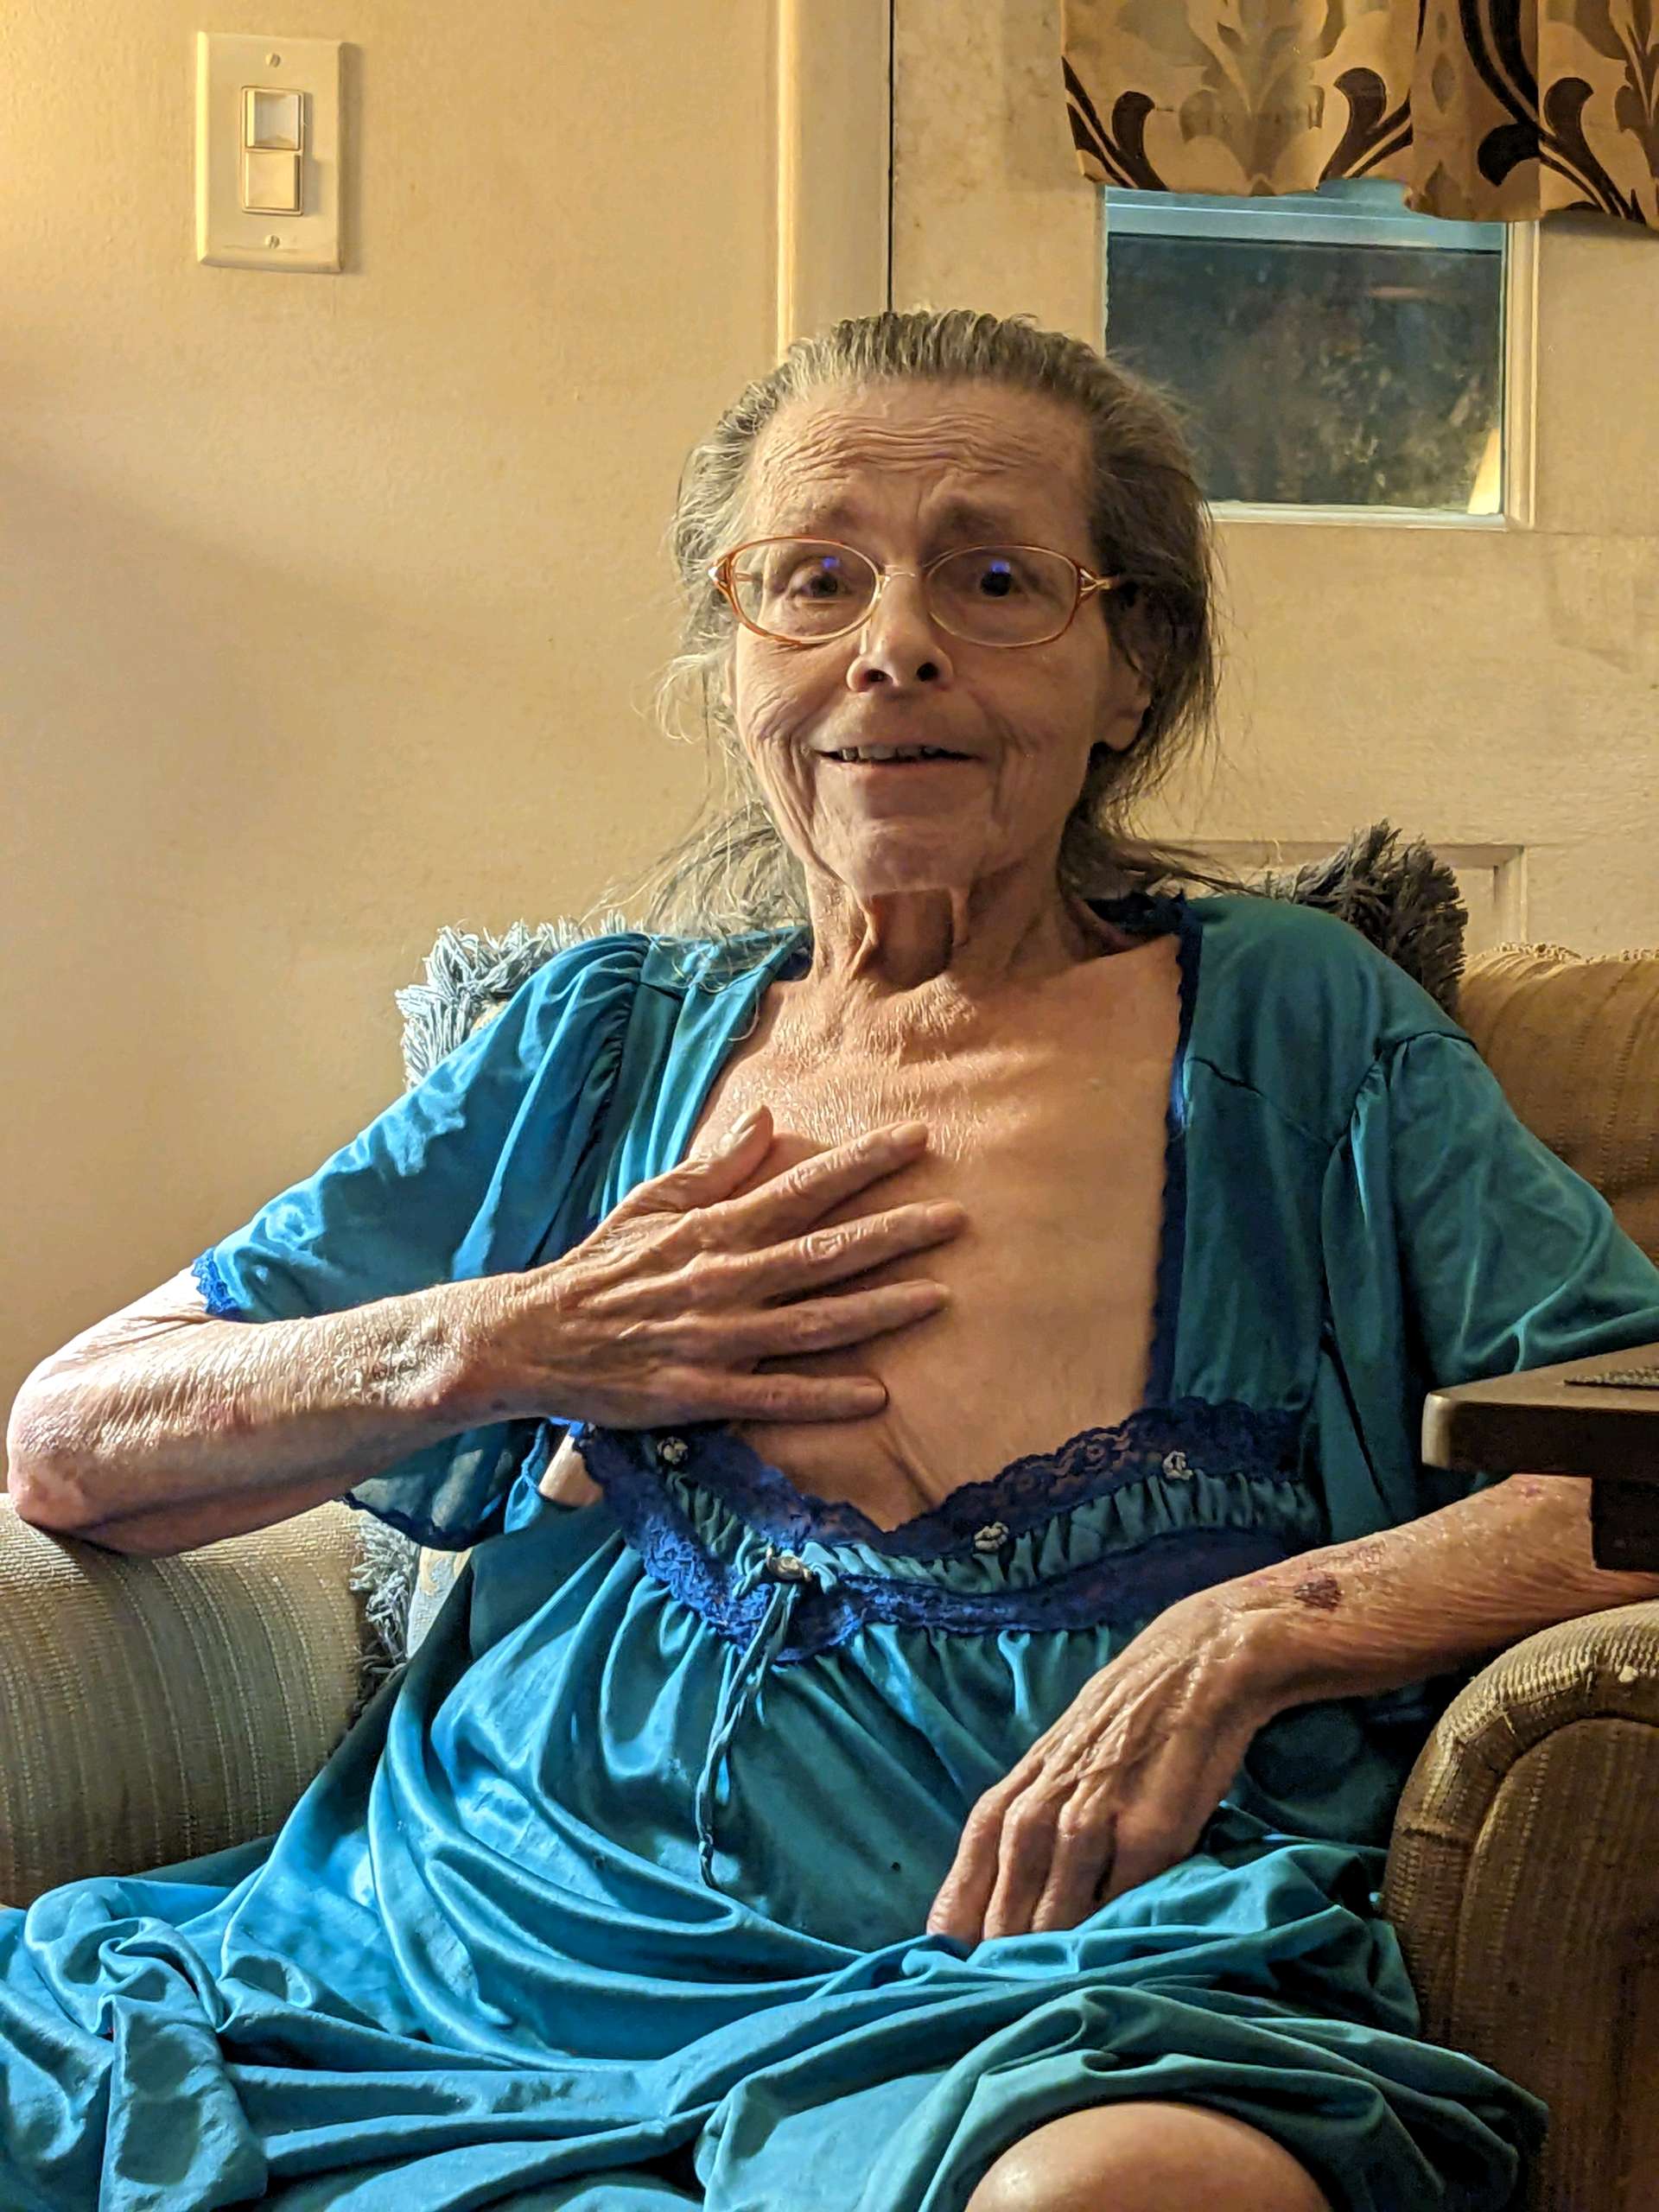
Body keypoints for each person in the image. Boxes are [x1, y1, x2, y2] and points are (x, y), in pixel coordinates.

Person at [6, 307, 1659, 2212]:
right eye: (814, 579)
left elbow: (1627, 1463)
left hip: (1038, 1989)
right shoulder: (597, 1047)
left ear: (1131, 669)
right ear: (739, 663)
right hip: (454, 1949)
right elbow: (71, 1440)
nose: (894, 644)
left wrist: (1248, 1629)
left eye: (995, 579)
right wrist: (513, 1336)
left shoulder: (1294, 1027)